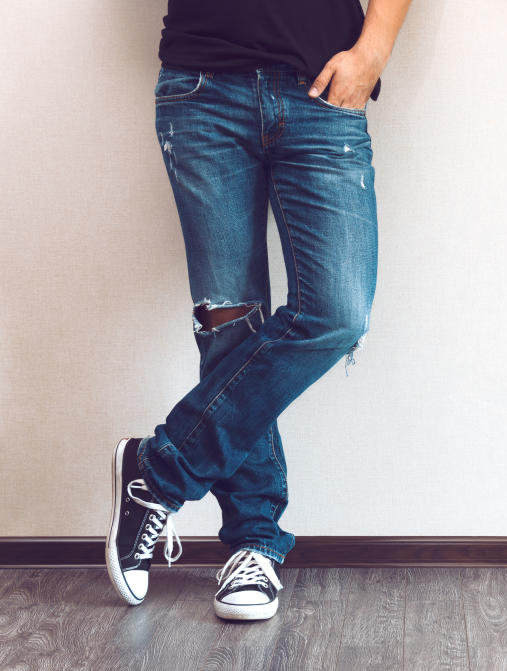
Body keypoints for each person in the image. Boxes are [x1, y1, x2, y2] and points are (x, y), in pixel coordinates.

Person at [105, 0, 412, 621]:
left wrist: (372, 52)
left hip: (324, 88)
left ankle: (158, 470)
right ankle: (254, 544)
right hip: (203, 88)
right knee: (230, 326)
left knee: (337, 315)